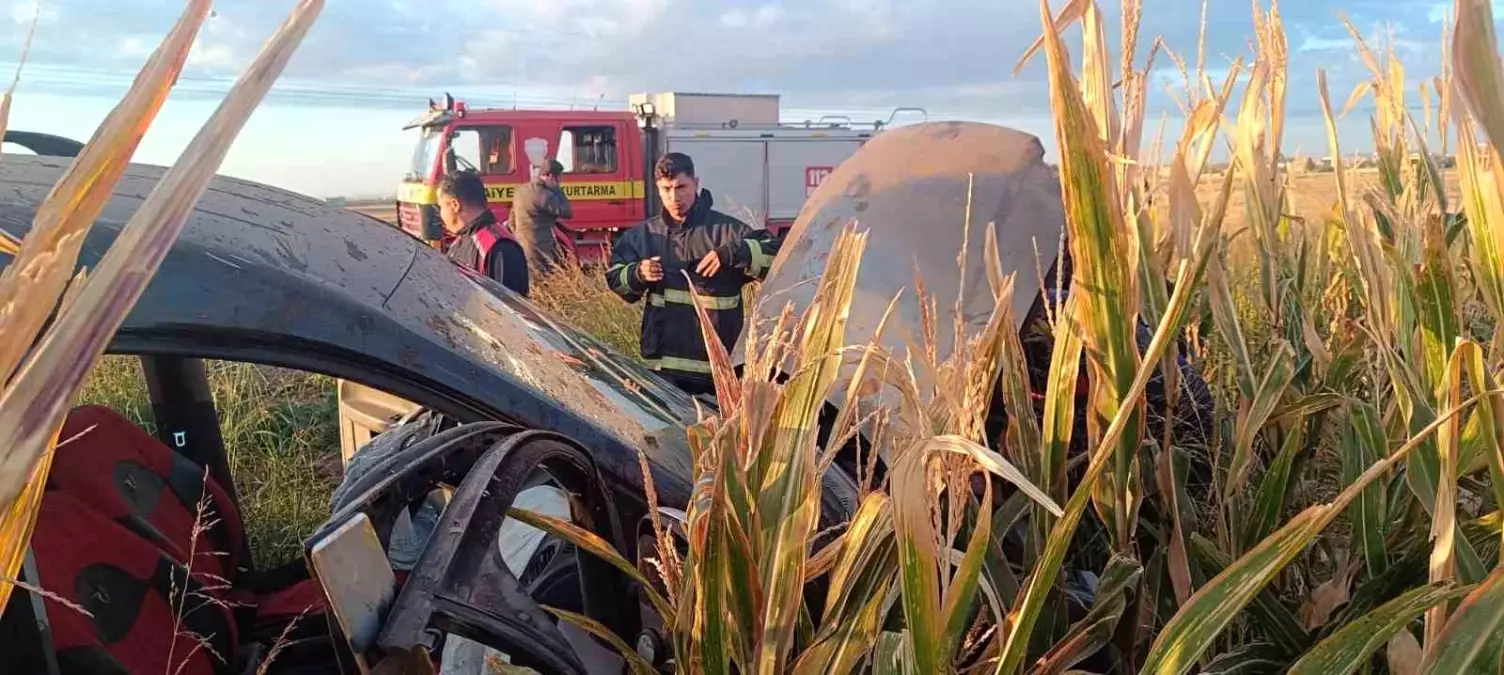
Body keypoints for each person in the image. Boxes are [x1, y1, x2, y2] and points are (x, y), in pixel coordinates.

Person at [605, 152, 780, 396]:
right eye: (666, 189)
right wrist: (637, 273)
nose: (674, 197)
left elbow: (779, 260)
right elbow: (615, 280)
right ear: (658, 188)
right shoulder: (643, 236)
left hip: (717, 371)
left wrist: (734, 252)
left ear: (696, 183)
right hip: (663, 371)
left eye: (681, 187)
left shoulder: (728, 232)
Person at [437, 169, 530, 297]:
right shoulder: (460, 242)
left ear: (455, 205)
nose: (441, 215)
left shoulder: (500, 248)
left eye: (441, 206)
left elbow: (509, 311)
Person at [512, 159, 574, 274]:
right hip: (540, 249)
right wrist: (558, 189)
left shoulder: (521, 190)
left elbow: (512, 220)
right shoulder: (545, 195)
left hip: (522, 246)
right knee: (542, 283)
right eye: (558, 179)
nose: (559, 182)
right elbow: (567, 212)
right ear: (550, 176)